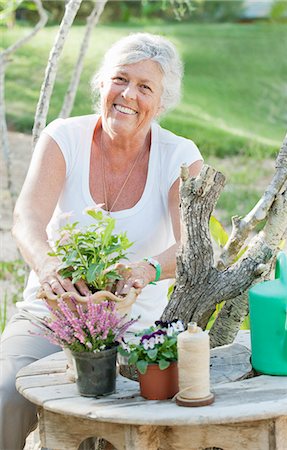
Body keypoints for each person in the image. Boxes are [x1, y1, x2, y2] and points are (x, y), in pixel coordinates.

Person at [0, 32, 203, 449]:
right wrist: (47, 264)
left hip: (136, 326)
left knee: (123, 428)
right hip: (52, 313)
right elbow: (27, 217)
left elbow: (193, 248)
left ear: (162, 102)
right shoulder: (64, 137)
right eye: (119, 79)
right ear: (102, 84)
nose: (128, 95)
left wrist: (146, 270)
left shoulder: (180, 156)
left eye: (145, 87)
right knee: (5, 394)